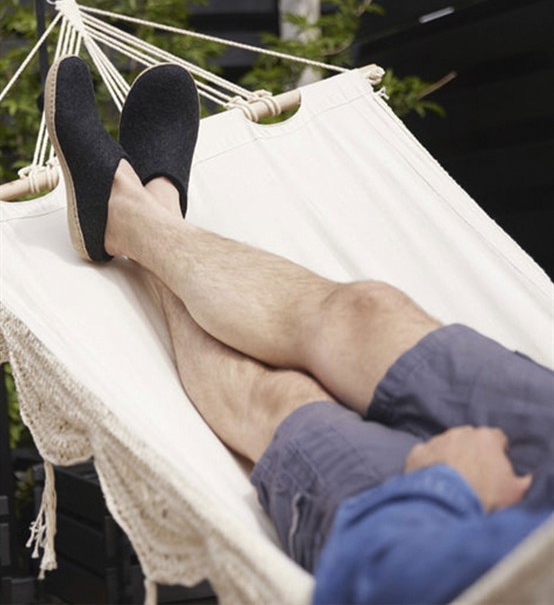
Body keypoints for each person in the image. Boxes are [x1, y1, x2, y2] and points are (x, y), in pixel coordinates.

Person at [45, 56, 553, 604]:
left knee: (282, 399)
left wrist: (448, 483)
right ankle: (152, 215)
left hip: (453, 559)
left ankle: (133, 214)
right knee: (368, 310)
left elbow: (378, 585)